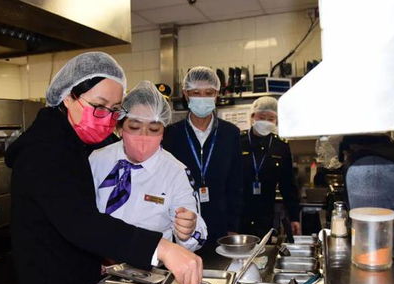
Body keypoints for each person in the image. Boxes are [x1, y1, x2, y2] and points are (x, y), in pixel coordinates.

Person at [5, 52, 202, 284]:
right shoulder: (46, 152)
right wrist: (160, 247)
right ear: (69, 96)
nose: (106, 118)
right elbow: (80, 222)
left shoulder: (73, 143)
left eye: (113, 111)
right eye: (98, 106)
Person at [89, 81, 207, 251]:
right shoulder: (97, 160)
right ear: (120, 127)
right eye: (135, 127)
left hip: (148, 270)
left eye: (153, 129)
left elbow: (198, 235)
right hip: (97, 264)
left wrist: (188, 230)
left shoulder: (175, 172)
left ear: (163, 132)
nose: (144, 136)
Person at [163, 66, 243, 246]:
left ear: (217, 94)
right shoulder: (171, 135)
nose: (202, 98)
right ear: (185, 94)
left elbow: (236, 184)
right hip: (182, 224)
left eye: (209, 92)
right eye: (196, 93)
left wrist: (233, 225)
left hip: (220, 223)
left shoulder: (230, 133)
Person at [240, 96, 301, 237]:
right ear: (252, 117)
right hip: (239, 215)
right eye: (262, 117)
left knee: (263, 255)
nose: (265, 122)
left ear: (276, 121)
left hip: (265, 215)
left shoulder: (281, 146)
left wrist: (294, 217)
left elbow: (288, 185)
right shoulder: (237, 142)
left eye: (271, 118)